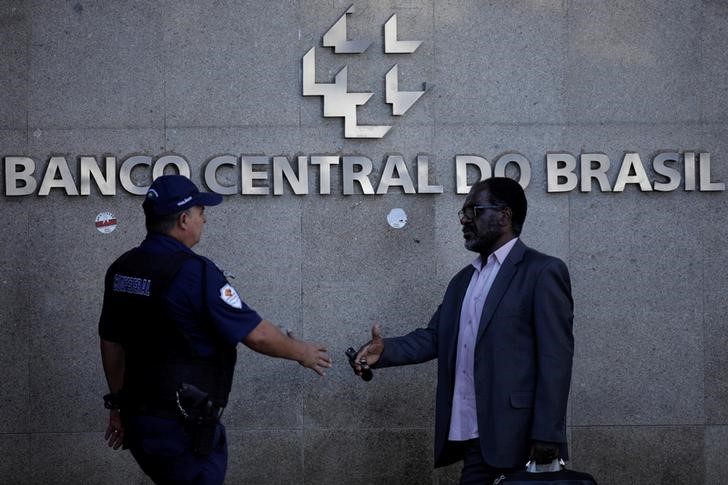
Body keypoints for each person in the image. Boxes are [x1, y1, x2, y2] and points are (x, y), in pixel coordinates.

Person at [99, 174, 331, 484]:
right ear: (184, 219)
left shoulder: (123, 268)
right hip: (181, 427)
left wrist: (118, 405)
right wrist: (302, 352)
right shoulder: (194, 272)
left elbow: (111, 342)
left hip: (140, 421)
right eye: (200, 212)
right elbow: (257, 334)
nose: (204, 220)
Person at [352, 177, 574, 484]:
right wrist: (385, 351)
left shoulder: (542, 271)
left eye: (473, 210)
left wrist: (547, 433)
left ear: (504, 215)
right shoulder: (462, 281)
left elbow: (556, 358)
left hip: (524, 440)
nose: (464, 219)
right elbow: (435, 337)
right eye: (463, 211)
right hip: (474, 439)